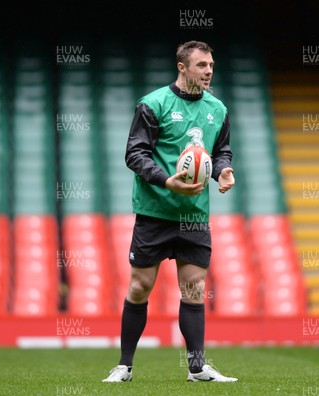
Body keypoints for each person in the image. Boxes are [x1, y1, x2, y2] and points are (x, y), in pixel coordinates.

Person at [102, 40, 237, 383]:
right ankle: (125, 366)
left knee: (193, 287)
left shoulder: (217, 109)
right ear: (182, 67)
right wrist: (166, 181)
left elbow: (221, 151)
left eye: (211, 65)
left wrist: (223, 170)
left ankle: (196, 366)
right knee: (140, 287)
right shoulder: (153, 104)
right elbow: (135, 154)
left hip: (194, 214)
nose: (209, 71)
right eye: (202, 65)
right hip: (154, 211)